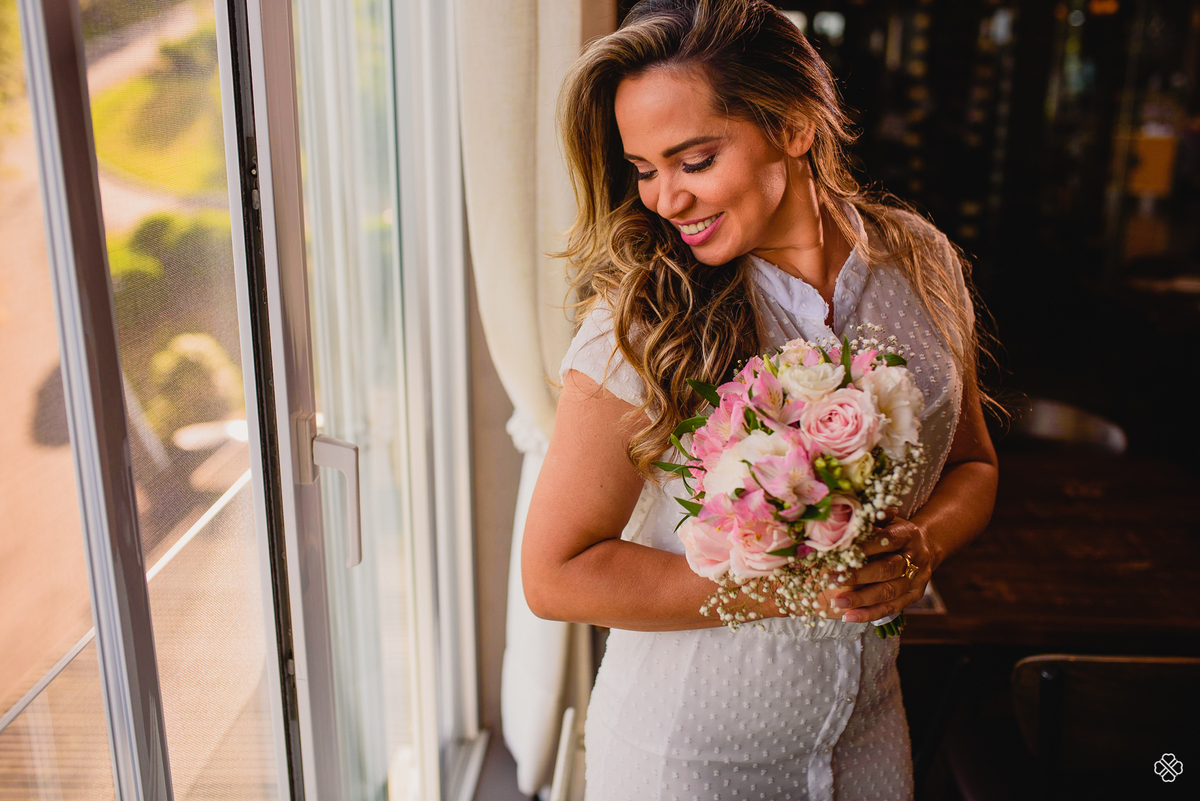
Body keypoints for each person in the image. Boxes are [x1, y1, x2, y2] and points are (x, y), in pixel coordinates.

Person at [521, 1, 1000, 799]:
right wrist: (786, 585)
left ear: (793, 126)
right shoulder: (643, 320)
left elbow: (976, 462)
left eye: (694, 160)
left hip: (870, 739)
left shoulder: (922, 261)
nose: (664, 199)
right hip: (687, 763)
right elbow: (556, 574)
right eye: (644, 168)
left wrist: (924, 545)